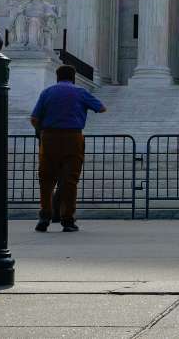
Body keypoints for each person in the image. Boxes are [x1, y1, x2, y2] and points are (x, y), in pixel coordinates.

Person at [30, 64, 107, 232]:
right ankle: (67, 220)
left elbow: (34, 118)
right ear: (73, 78)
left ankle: (44, 216)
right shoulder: (80, 92)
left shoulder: (47, 92)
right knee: (70, 181)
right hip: (73, 138)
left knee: (46, 180)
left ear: (57, 77)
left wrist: (41, 133)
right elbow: (101, 108)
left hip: (49, 138)